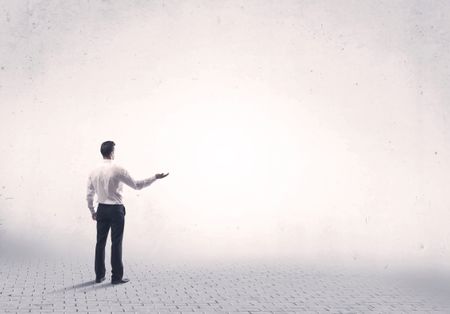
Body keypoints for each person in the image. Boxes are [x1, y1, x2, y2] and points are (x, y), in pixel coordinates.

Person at [86, 140, 169, 285]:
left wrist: (93, 211)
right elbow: (137, 185)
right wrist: (154, 177)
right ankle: (116, 277)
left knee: (100, 243)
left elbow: (89, 194)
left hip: (102, 209)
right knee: (116, 243)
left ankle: (99, 276)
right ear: (112, 152)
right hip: (116, 209)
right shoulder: (118, 169)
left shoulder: (93, 171)